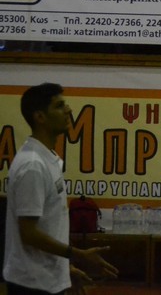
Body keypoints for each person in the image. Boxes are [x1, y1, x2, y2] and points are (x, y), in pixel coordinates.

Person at [4, 82, 119, 295]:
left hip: (47, 277)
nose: (68, 110)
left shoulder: (48, 158)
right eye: (59, 106)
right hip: (31, 283)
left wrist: (65, 269)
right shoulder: (33, 165)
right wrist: (78, 254)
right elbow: (29, 233)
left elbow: (49, 226)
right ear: (40, 117)